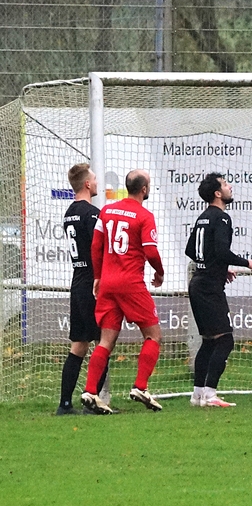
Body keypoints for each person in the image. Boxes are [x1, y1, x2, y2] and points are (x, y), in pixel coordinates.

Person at [80, 170, 165, 414]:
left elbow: (96, 245)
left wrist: (98, 276)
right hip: (131, 283)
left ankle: (90, 391)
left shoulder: (106, 211)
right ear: (144, 189)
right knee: (153, 335)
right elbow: (150, 251)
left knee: (106, 340)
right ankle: (140, 386)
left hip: (108, 283)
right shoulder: (144, 216)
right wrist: (159, 273)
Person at [185, 173, 252, 408]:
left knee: (209, 341)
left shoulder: (202, 218)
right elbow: (221, 251)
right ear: (218, 193)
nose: (230, 187)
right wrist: (247, 263)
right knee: (225, 340)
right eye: (226, 184)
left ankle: (197, 394)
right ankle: (210, 394)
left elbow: (191, 250)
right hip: (209, 287)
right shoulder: (222, 218)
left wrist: (219, 268)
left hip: (198, 282)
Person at [56, 163, 108, 414]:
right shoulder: (92, 214)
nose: (97, 183)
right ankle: (93, 401)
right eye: (95, 179)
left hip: (77, 281)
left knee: (79, 345)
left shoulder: (69, 213)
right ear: (87, 184)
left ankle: (65, 404)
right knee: (104, 342)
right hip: (92, 283)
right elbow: (99, 249)